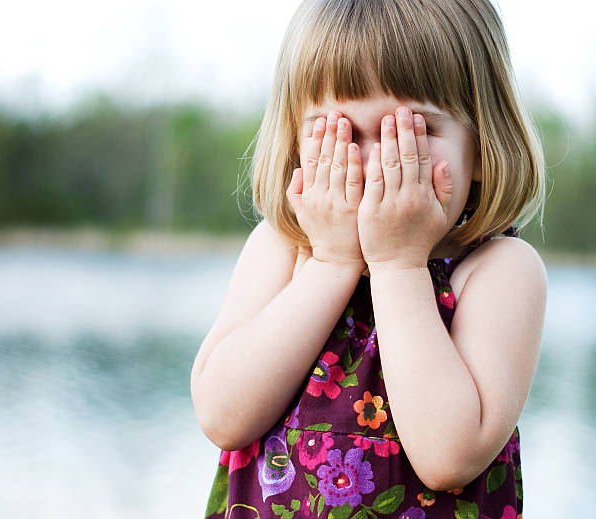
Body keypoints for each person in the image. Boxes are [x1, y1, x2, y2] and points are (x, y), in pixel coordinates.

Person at [191, 0, 547, 517]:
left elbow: (448, 455)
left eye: (411, 134)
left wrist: (399, 265)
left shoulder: (499, 271)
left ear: (483, 144)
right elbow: (223, 416)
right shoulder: (283, 250)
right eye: (339, 136)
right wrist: (332, 262)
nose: (378, 164)